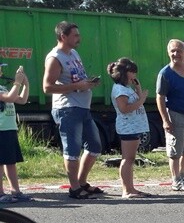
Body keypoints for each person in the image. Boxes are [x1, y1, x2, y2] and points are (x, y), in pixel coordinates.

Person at [42, 21, 104, 200]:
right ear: (63, 36)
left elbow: (77, 78)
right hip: (67, 109)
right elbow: (47, 87)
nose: (79, 38)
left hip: (83, 107)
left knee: (95, 146)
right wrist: (77, 86)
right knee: (72, 150)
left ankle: (82, 182)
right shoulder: (55, 57)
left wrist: (88, 83)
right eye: (75, 35)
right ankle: (75, 188)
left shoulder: (74, 53)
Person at [156, 38, 184, 192]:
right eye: (172, 51)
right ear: (168, 53)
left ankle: (182, 176)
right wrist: (165, 120)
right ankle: (176, 180)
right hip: (176, 115)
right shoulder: (165, 73)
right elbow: (160, 97)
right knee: (175, 151)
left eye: (179, 51)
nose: (176, 54)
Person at [108, 57, 151, 198]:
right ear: (124, 73)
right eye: (133, 72)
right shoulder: (120, 89)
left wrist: (138, 88)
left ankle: (131, 188)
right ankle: (127, 190)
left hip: (134, 127)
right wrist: (142, 99)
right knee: (127, 159)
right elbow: (124, 108)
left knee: (131, 158)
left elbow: (136, 101)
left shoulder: (127, 88)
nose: (135, 75)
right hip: (128, 127)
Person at [0, 63, 31, 203]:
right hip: (1, 130)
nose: (1, 71)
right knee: (0, 162)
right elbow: (10, 98)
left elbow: (22, 100)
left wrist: (25, 84)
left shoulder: (3, 87)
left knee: (10, 161)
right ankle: (0, 193)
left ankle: (15, 191)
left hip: (9, 129)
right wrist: (17, 82)